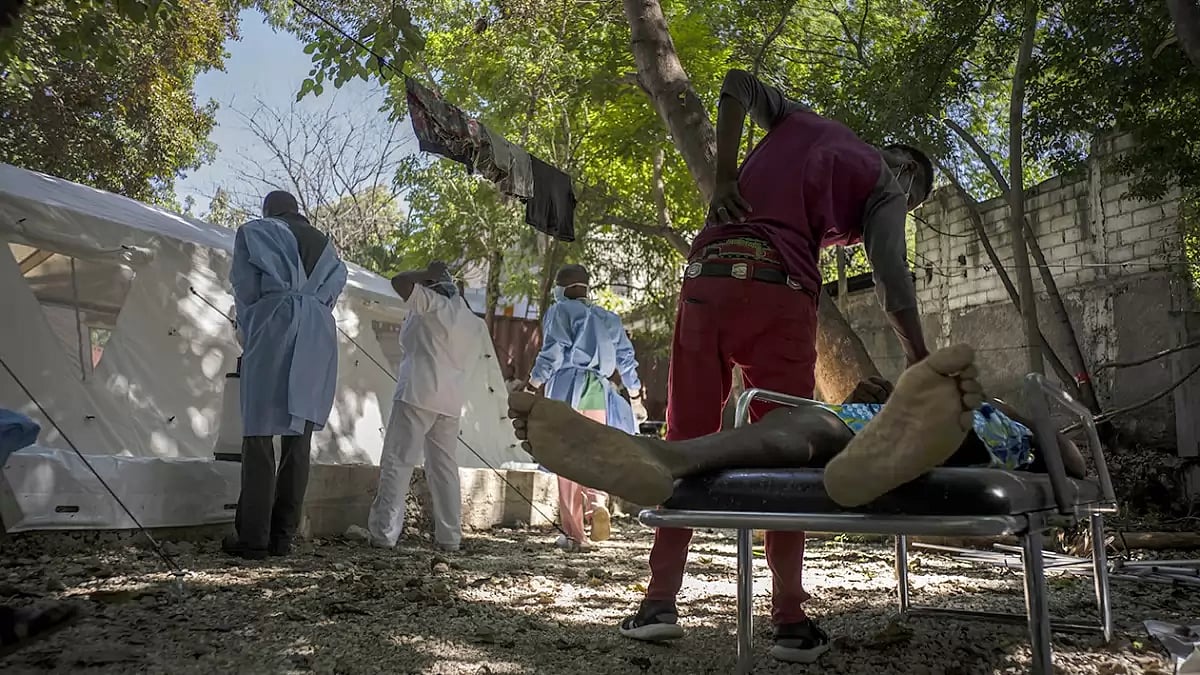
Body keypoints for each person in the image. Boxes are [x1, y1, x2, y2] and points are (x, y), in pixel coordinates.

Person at [507, 345, 1088, 660]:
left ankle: (672, 454)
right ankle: (666, 457)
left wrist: (1038, 428)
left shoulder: (999, 412)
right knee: (815, 424)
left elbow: (1073, 465)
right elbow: (1072, 461)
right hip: (906, 431)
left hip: (922, 434)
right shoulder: (988, 411)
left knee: (807, 427)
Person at [629, 66, 937, 657]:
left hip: (707, 276)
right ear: (907, 171)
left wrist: (724, 178)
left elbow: (736, 82)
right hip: (779, 292)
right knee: (786, 449)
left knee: (683, 439)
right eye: (913, 201)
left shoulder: (802, 120)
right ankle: (790, 622)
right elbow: (894, 283)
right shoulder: (890, 183)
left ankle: (657, 603)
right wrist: (920, 358)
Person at [224, 191, 348, 560]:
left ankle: (253, 537)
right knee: (299, 438)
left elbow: (246, 291)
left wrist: (249, 332)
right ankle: (282, 536)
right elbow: (331, 295)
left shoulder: (256, 231)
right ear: (297, 211)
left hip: (274, 323)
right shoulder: (328, 249)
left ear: (269, 211)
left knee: (258, 434)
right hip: (317, 332)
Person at [366, 262, 488, 552]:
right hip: (450, 400)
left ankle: (384, 533)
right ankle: (450, 537)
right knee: (444, 468)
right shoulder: (471, 320)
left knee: (398, 461)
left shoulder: (432, 305)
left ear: (433, 287)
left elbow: (399, 281)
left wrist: (423, 274)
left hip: (417, 393)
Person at [526, 264, 643, 551]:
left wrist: (531, 385)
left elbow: (553, 352)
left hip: (567, 388)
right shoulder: (608, 318)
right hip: (599, 390)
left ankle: (574, 535)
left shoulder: (560, 311)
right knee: (594, 453)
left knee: (565, 459)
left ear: (562, 287)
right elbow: (626, 359)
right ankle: (597, 503)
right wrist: (635, 396)